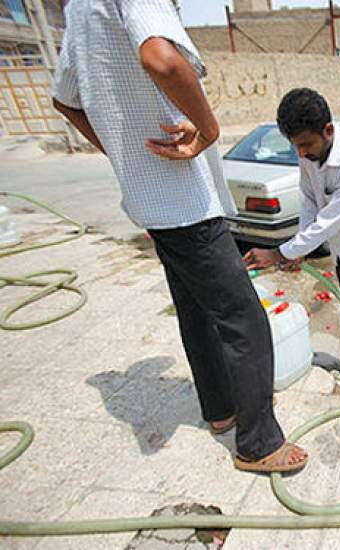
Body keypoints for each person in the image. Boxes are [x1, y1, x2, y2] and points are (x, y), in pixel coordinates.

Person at [51, 0, 306, 473]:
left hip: (154, 199)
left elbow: (64, 98)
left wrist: (123, 150)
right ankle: (257, 443)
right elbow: (160, 59)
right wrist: (209, 129)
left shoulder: (79, 9)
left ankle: (220, 410)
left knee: (196, 310)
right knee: (245, 320)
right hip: (184, 200)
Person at [244, 88, 340, 398]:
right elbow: (308, 200)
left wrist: (279, 253)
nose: (301, 153)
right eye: (295, 147)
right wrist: (299, 251)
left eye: (305, 144)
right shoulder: (308, 155)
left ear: (328, 130)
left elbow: (331, 218)